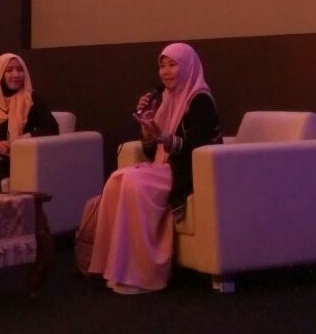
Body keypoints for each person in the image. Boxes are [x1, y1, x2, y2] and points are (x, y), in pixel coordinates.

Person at [88, 42, 222, 294]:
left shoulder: (200, 100)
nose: (166, 72)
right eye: (162, 66)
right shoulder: (167, 99)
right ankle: (113, 267)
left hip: (189, 173)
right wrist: (148, 125)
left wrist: (169, 140)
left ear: (188, 67)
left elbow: (201, 150)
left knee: (134, 183)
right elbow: (153, 152)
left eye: (173, 65)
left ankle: (143, 274)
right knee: (117, 179)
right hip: (165, 167)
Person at [0, 52, 59, 188]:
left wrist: (25, 139)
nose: (16, 75)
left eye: (20, 70)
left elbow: (52, 129)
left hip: (19, 160)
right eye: (9, 70)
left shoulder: (31, 98)